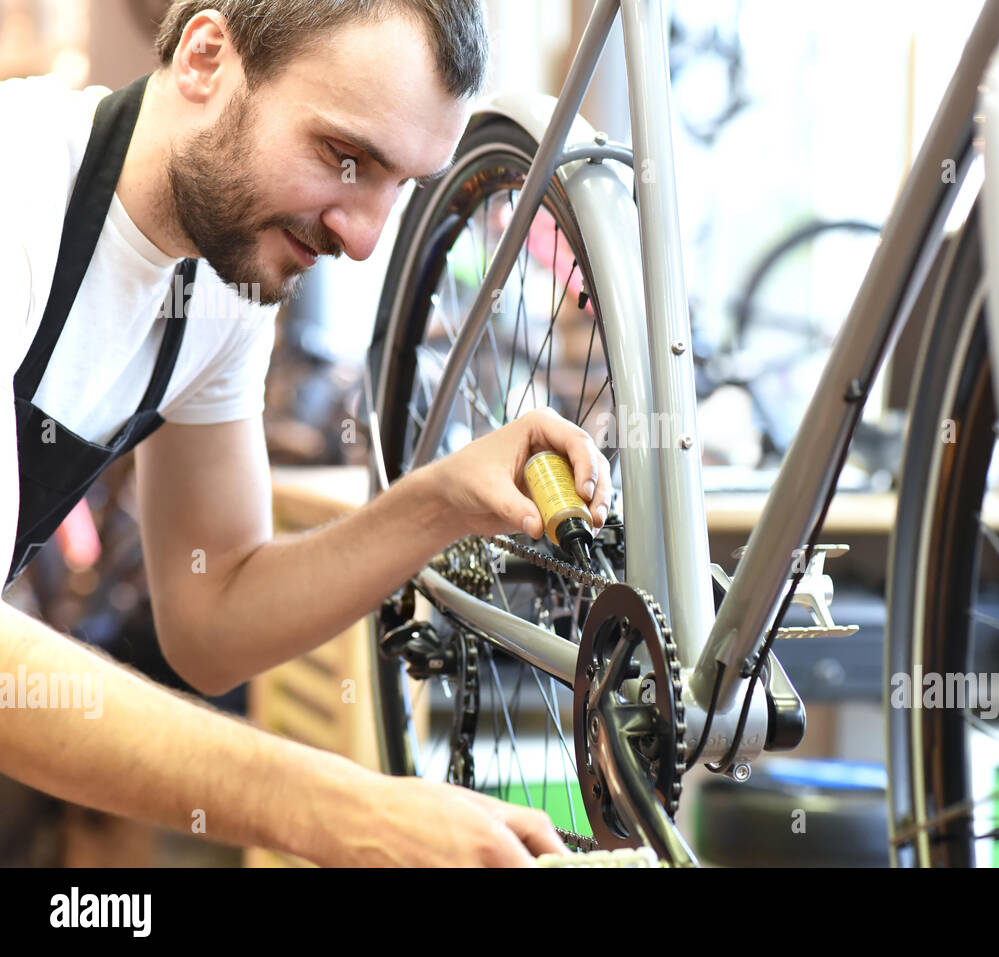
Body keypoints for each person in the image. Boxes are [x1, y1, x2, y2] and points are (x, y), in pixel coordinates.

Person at [0, 0, 612, 866]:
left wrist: (438, 502)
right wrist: (344, 809)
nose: (361, 238)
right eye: (344, 157)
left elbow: (213, 620)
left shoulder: (218, 284)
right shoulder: (14, 196)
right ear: (207, 59)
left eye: (395, 184)